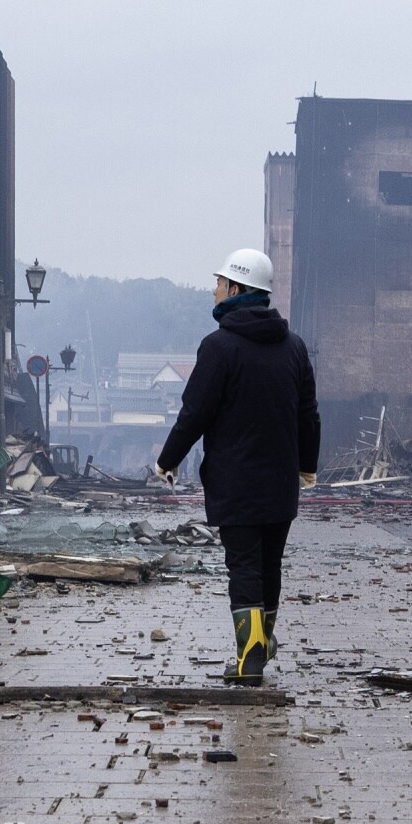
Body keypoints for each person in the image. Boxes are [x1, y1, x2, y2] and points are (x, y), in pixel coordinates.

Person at [156, 248, 320, 685]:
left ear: (237, 290)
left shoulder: (218, 347)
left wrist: (168, 459)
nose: (214, 289)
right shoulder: (295, 347)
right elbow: (308, 414)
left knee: (244, 567)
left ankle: (249, 660)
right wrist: (308, 466)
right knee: (270, 566)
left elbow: (195, 413)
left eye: (220, 283)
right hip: (281, 484)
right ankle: (261, 645)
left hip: (237, 483)